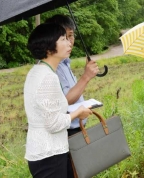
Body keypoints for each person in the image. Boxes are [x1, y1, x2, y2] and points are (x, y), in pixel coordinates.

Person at [24, 23, 92, 178]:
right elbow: (53, 124)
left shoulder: (38, 71)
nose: (69, 43)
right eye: (63, 39)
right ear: (49, 48)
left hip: (43, 153)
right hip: (50, 156)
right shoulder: (48, 78)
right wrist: (78, 113)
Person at [45, 15, 99, 178]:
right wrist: (86, 77)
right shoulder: (53, 68)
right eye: (65, 37)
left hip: (75, 128)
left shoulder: (65, 63)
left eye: (72, 35)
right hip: (65, 132)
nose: (70, 41)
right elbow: (64, 101)